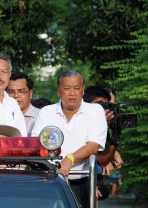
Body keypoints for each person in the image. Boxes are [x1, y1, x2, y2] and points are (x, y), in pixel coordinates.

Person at [31, 69, 108, 208]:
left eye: (77, 88)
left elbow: (94, 145)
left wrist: (70, 159)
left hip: (82, 180)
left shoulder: (95, 111)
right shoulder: (46, 112)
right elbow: (37, 143)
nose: (72, 93)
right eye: (67, 88)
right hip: (52, 180)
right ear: (58, 91)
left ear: (83, 90)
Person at [7, 71, 39, 136]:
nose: (16, 95)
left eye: (21, 91)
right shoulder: (0, 116)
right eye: (11, 92)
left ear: (31, 94)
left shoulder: (41, 116)